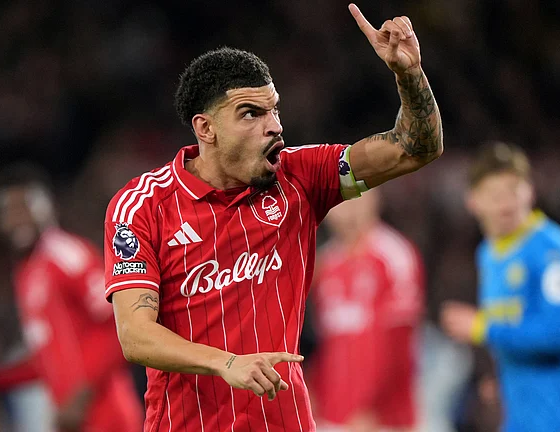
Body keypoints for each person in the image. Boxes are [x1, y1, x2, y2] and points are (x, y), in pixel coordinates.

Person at [104, 4, 443, 431]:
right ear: (205, 129)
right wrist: (226, 363)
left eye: (274, 110)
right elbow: (135, 335)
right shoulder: (141, 206)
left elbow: (415, 149)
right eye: (252, 113)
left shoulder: (302, 177)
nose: (275, 127)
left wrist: (408, 75)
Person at [0, 165, 144, 432]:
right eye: (7, 211)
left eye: (25, 206)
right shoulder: (26, 273)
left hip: (109, 416)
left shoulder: (66, 255)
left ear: (48, 207)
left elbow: (123, 326)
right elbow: (46, 360)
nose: (16, 218)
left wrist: (80, 397)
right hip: (76, 421)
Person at [440, 142, 560, 432]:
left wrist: (483, 328)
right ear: (472, 201)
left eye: (513, 190)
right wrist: (503, 374)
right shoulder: (488, 254)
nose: (506, 203)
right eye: (495, 194)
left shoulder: (553, 252)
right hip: (522, 420)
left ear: (530, 192)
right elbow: (516, 324)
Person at [310, 189, 424, 432]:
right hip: (333, 412)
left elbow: (398, 340)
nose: (349, 210)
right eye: (340, 203)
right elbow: (323, 343)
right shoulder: (325, 264)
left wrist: (372, 407)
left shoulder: (394, 255)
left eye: (358, 199)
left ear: (375, 201)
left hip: (383, 418)